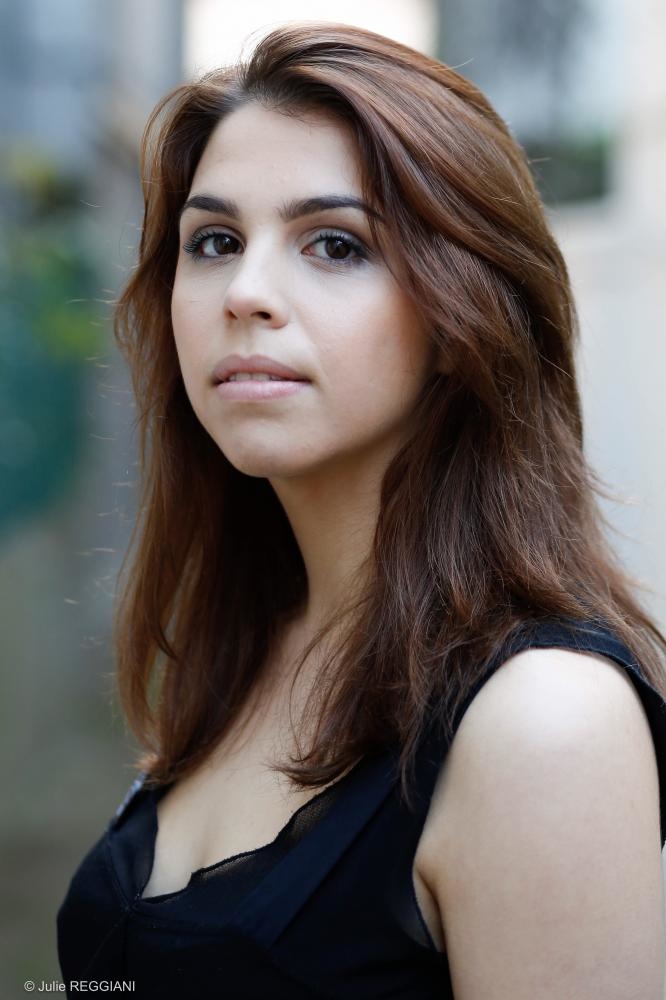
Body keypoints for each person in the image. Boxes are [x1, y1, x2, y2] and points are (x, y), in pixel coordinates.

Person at [57, 21, 666, 998]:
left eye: (335, 244)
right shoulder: (249, 645)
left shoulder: (544, 723)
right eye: (214, 241)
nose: (245, 292)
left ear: (463, 319)